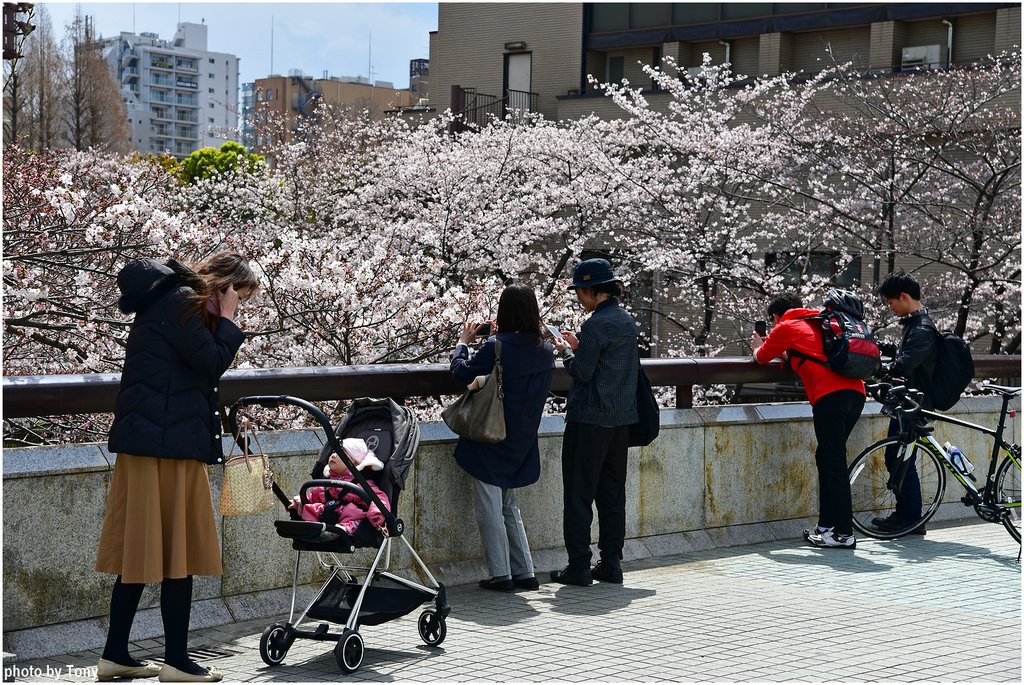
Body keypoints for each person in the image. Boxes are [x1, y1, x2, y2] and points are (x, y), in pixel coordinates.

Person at [96, 251, 259, 683]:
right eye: (239, 296)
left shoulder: (169, 300)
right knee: (177, 555)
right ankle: (176, 662)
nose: (239, 307)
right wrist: (227, 319)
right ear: (223, 286)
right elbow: (211, 363)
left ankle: (115, 655)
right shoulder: (184, 302)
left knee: (140, 553)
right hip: (166, 447)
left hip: (153, 444)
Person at [450, 284, 554, 592]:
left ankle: (501, 575)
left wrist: (463, 342)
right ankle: (525, 572)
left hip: (490, 434)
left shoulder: (497, 345)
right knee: (510, 506)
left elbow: (461, 373)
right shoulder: (545, 348)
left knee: (489, 507)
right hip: (521, 436)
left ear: (503, 311)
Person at [752, 290, 866, 549]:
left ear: (775, 316)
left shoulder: (786, 326)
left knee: (834, 461)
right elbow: (809, 354)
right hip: (855, 394)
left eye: (772, 321)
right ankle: (826, 526)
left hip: (830, 397)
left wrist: (757, 345)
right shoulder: (821, 322)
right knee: (826, 457)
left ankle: (844, 534)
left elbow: (760, 357)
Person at [549, 258, 639, 586]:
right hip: (620, 421)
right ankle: (611, 562)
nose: (578, 297)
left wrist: (566, 351)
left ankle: (579, 565)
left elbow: (581, 372)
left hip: (589, 420)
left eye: (579, 291)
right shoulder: (626, 320)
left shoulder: (596, 324)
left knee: (578, 494)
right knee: (612, 493)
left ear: (591, 290)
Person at [872, 271, 939, 535]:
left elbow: (905, 364)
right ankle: (907, 516)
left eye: (891, 303)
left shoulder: (922, 328)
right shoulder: (915, 324)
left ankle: (910, 519)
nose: (891, 308)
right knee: (899, 458)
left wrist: (877, 368)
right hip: (908, 403)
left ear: (903, 296)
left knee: (900, 458)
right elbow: (902, 353)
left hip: (915, 405)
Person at [289, 440, 389, 537]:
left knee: (356, 518)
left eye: (340, 453)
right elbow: (313, 497)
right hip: (328, 515)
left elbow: (379, 498)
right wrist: (299, 503)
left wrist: (377, 513)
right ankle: (308, 527)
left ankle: (342, 530)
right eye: (334, 451)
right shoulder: (326, 484)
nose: (333, 455)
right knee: (313, 508)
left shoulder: (363, 484)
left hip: (350, 518)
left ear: (354, 462)